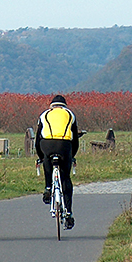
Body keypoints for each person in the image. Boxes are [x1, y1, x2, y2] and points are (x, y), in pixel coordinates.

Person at [35, 94, 80, 229]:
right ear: (65, 105)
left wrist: (41, 157)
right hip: (65, 145)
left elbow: (38, 139)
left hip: (46, 144)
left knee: (47, 164)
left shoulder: (44, 115)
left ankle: (48, 187)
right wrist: (72, 156)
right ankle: (69, 213)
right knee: (65, 178)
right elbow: (75, 141)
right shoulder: (70, 114)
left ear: (51, 106)